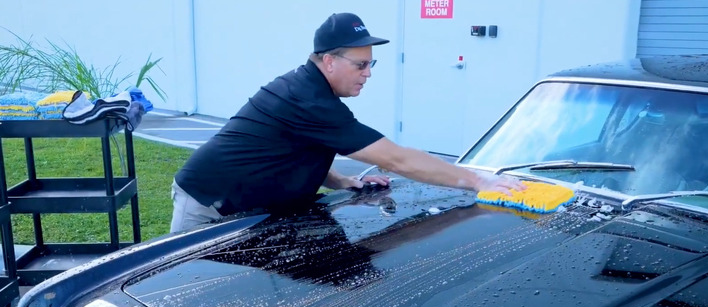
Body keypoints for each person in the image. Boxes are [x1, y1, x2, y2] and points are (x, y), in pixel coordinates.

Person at [171, 12, 523, 232]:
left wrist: (339, 180)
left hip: (242, 205)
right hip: (207, 205)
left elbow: (295, 147)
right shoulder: (308, 99)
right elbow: (396, 159)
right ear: (328, 61)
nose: (368, 74)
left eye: (372, 64)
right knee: (188, 305)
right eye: (360, 65)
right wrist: (478, 180)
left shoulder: (311, 91)